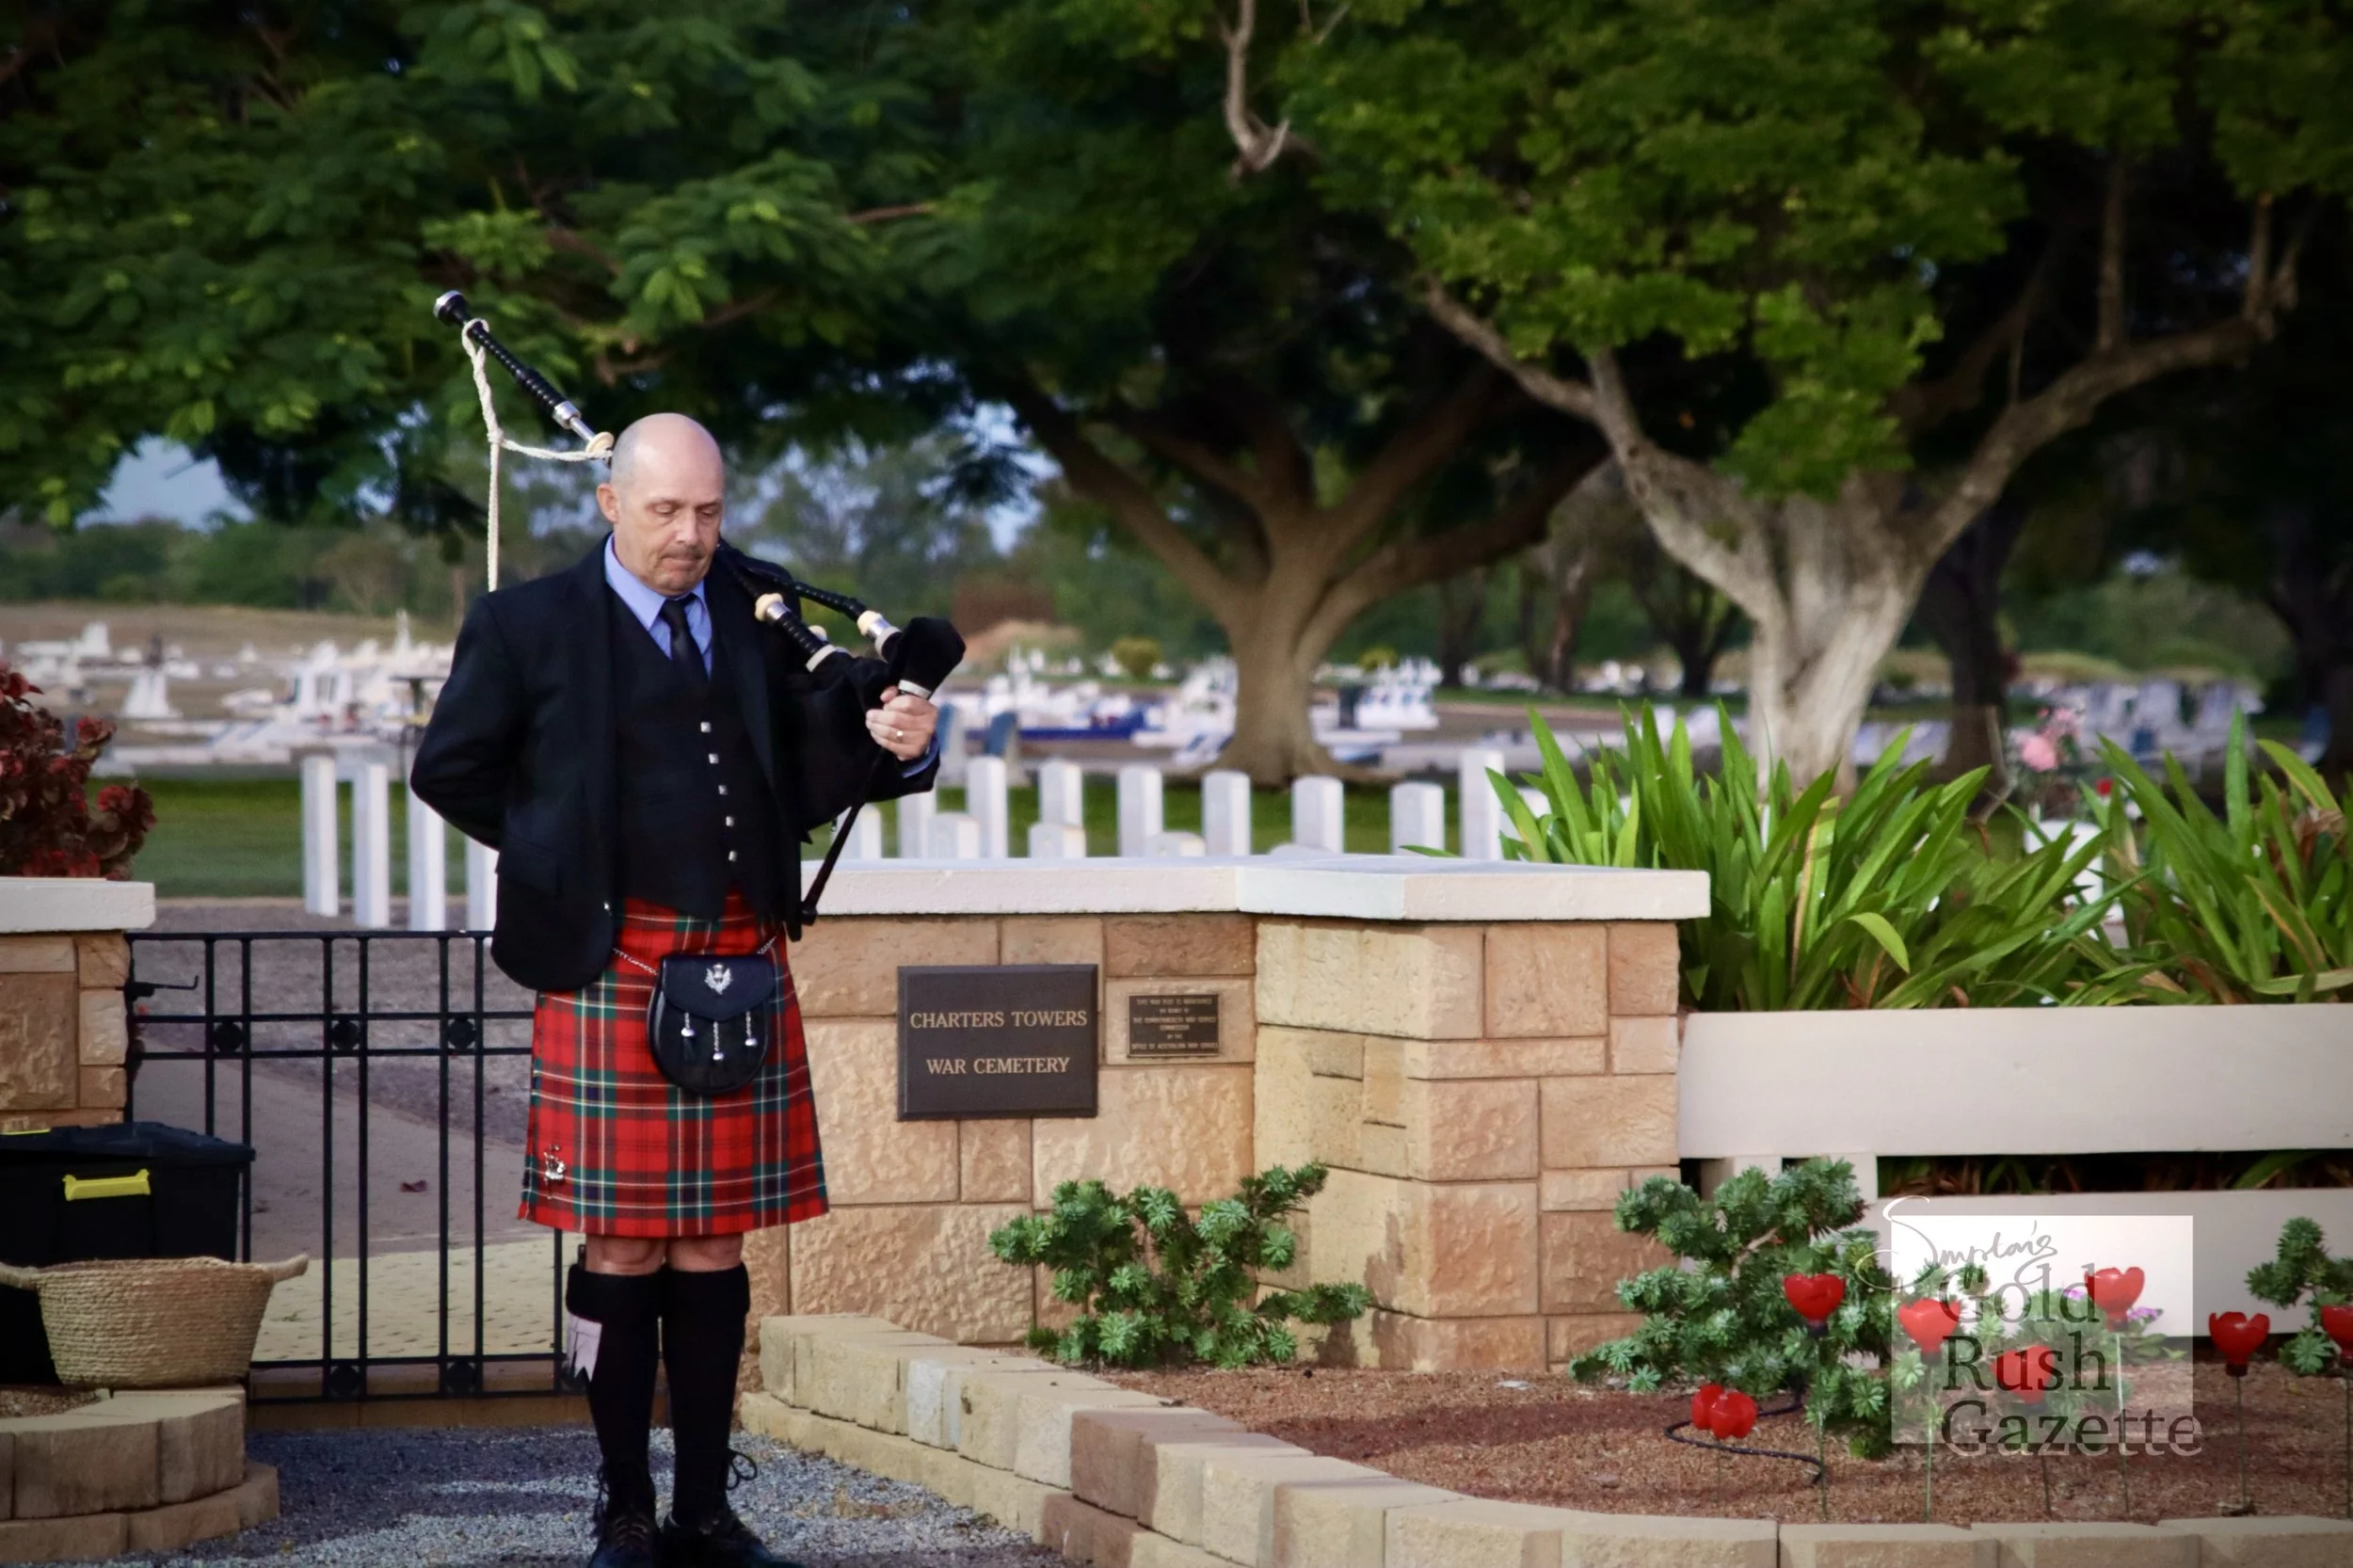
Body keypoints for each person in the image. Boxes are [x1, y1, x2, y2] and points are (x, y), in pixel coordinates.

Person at [410, 414, 939, 1568]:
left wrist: (899, 740)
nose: (691, 535)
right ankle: (622, 1508)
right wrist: (560, 856)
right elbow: (446, 768)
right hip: (613, 961)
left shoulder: (760, 623)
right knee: (622, 1248)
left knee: (710, 1246)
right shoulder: (526, 624)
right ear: (608, 501)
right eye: (666, 511)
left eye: (708, 512)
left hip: (739, 954)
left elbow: (817, 766)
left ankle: (705, 1507)